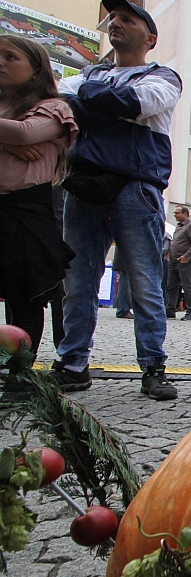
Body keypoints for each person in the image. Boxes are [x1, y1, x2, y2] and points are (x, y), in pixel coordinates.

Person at [51, 0, 181, 400]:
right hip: (85, 185)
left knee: (144, 280)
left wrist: (85, 104)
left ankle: (153, 366)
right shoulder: (87, 75)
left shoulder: (164, 76)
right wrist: (103, 105)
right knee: (78, 279)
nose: (116, 23)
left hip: (136, 187)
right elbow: (57, 103)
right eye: (114, 17)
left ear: (151, 38)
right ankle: (72, 364)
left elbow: (136, 101)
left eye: (128, 18)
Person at [0, 35, 77, 353]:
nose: (1, 63)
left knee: (25, 298)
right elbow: (14, 136)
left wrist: (12, 138)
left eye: (10, 57)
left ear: (35, 70)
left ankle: (19, 381)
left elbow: (25, 132)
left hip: (26, 211)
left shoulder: (54, 108)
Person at [166, 205, 191, 321]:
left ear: (185, 214)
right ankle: (170, 310)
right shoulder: (178, 227)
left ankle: (190, 311)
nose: (175, 215)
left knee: (187, 287)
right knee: (171, 287)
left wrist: (186, 256)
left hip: (185, 263)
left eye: (177, 213)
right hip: (173, 261)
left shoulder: (190, 226)